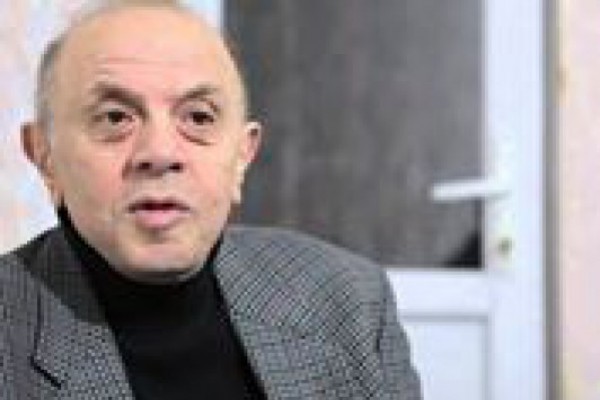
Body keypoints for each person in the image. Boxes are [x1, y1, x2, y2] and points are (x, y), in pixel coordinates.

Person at [0, 2, 421, 399]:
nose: (160, 153)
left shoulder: (347, 301)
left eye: (198, 117)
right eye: (115, 117)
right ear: (44, 155)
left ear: (242, 156)